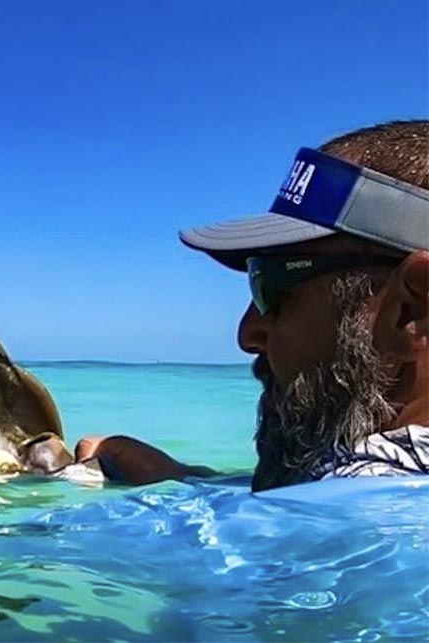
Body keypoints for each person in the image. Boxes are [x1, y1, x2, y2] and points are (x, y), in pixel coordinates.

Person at [76, 120, 429, 491]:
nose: (248, 333)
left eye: (274, 286)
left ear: (412, 310)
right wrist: (186, 480)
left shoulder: (345, 530)